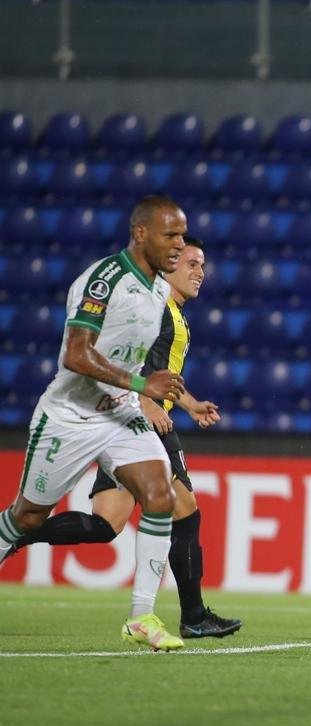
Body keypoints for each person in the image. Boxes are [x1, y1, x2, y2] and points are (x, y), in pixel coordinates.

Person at [5, 236, 242, 640]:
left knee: (106, 524)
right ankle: (193, 615)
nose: (200, 272)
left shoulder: (172, 312)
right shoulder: (155, 308)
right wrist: (144, 401)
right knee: (185, 510)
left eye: (203, 265)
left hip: (127, 419)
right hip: (137, 421)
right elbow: (130, 361)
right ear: (169, 266)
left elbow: (159, 372)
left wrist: (189, 404)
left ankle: (19, 533)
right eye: (191, 263)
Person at [0, 195, 189, 651]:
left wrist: (140, 393)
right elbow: (76, 355)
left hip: (119, 412)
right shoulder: (104, 281)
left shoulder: (159, 290)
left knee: (160, 495)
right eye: (171, 235)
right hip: (70, 415)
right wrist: (142, 385)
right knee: (27, 517)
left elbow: (130, 357)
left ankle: (141, 616)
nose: (179, 245)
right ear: (140, 233)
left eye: (182, 236)